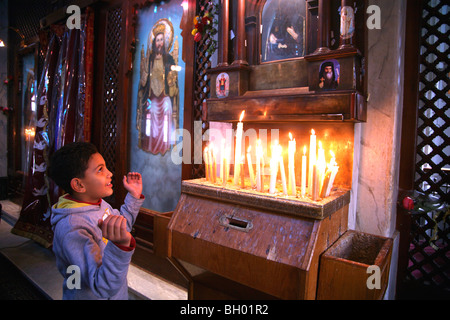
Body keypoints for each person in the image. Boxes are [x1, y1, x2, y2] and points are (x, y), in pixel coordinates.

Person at [47, 142, 144, 299]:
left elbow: (119, 226)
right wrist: (120, 246)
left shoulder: (96, 203)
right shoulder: (72, 229)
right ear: (79, 184)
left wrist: (133, 197)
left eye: (105, 167)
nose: (109, 173)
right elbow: (102, 286)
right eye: (100, 170)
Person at [138, 22, 177, 155]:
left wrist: (171, 80)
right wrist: (143, 78)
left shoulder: (169, 59)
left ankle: (164, 146)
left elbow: (173, 82)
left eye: (162, 40)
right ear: (154, 42)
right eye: (157, 40)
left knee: (167, 107)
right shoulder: (149, 60)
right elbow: (143, 83)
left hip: (164, 96)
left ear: (164, 42)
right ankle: (151, 145)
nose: (159, 43)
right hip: (151, 97)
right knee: (151, 109)